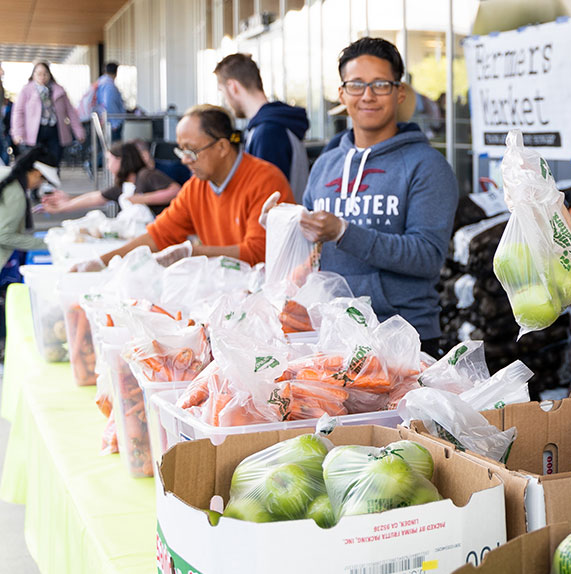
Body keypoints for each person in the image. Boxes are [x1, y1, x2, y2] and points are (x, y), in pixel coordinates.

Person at [299, 37, 457, 357]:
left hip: (402, 336)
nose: (367, 95)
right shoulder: (325, 165)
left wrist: (344, 232)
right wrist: (282, 226)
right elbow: (310, 249)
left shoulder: (427, 166)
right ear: (342, 94)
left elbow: (428, 256)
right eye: (356, 85)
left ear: (399, 93)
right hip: (331, 334)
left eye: (380, 84)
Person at [76, 105, 292, 270]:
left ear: (223, 147)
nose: (185, 160)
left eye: (191, 151)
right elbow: (158, 236)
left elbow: (257, 253)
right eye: (181, 151)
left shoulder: (265, 181)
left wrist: (192, 253)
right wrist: (101, 262)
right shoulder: (196, 188)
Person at [215, 53, 311, 196]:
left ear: (232, 86)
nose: (225, 102)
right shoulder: (272, 125)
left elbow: (266, 196)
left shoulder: (268, 133)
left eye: (222, 92)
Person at [41, 140, 181, 215]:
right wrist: (66, 203)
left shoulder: (146, 175)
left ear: (121, 160)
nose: (107, 166)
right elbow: (96, 197)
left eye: (109, 160)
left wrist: (141, 199)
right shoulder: (125, 186)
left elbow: (175, 191)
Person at [10, 62, 85, 168]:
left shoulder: (59, 90)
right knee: (35, 163)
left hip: (55, 130)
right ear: (33, 75)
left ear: (49, 75)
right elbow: (18, 112)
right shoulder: (26, 90)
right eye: (39, 74)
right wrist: (17, 133)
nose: (42, 77)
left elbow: (70, 112)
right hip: (34, 132)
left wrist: (79, 132)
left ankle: (52, 182)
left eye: (45, 73)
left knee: (54, 160)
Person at [0, 147, 57, 267]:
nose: (40, 184)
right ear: (36, 173)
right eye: (43, 180)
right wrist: (50, 244)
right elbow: (4, 236)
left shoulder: (5, 174)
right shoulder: (16, 194)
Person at [92, 62, 127, 139]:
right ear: (116, 72)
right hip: (112, 123)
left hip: (105, 121)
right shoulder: (109, 86)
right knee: (114, 148)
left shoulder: (101, 82)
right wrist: (115, 123)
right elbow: (109, 103)